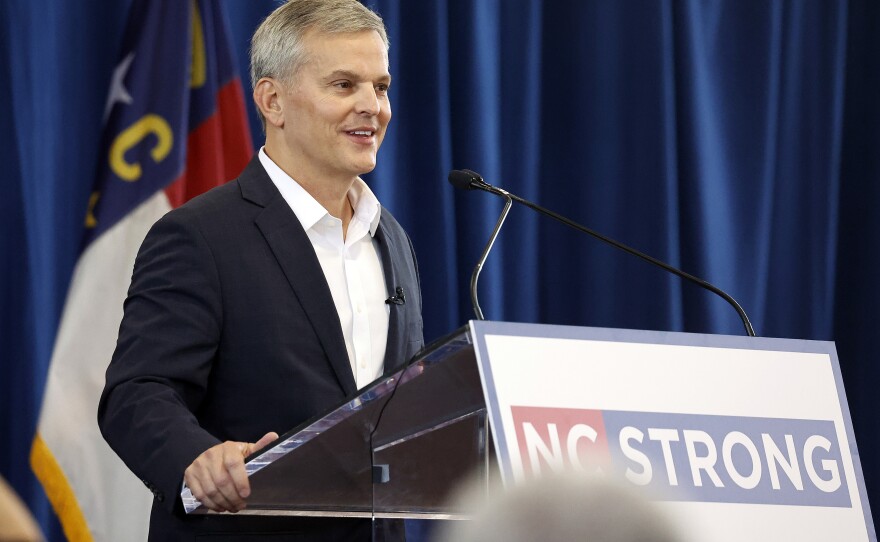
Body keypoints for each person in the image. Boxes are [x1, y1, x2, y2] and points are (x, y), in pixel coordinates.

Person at [97, 1, 424, 539]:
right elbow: (137, 393)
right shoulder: (200, 235)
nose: (373, 106)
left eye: (381, 87)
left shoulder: (392, 240)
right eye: (344, 85)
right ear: (273, 100)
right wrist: (198, 459)